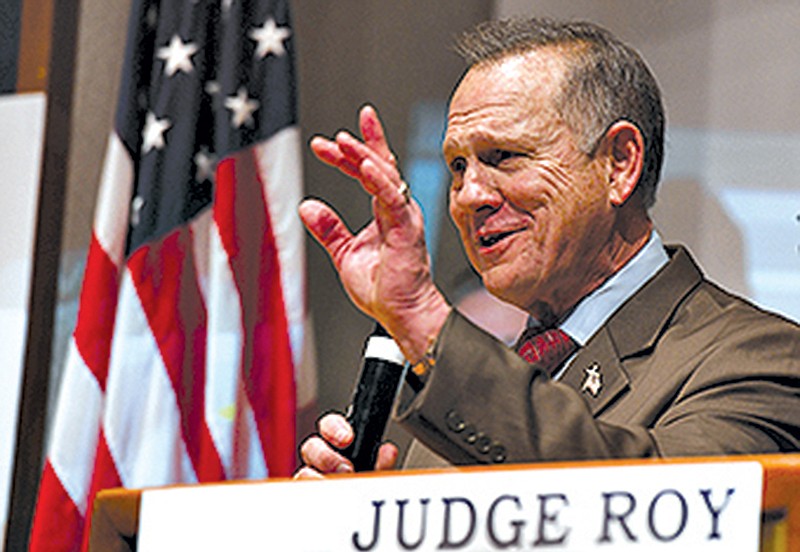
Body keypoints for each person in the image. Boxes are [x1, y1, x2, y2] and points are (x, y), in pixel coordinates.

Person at [295, 17, 800, 478]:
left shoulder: (762, 360)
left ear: (619, 165)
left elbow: (654, 504)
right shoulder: (469, 385)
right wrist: (378, 519)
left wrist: (420, 315)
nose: (470, 195)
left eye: (504, 156)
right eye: (457, 167)